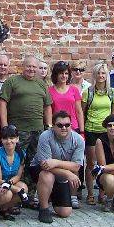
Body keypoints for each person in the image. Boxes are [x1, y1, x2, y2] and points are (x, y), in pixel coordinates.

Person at [0, 55, 53, 170]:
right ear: (23, 66)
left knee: (35, 160)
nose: (31, 69)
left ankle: (33, 181)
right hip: (18, 129)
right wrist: (4, 126)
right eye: (28, 66)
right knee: (17, 158)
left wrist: (49, 126)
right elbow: (2, 103)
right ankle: (17, 180)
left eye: (34, 67)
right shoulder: (12, 81)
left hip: (38, 130)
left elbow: (47, 106)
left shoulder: (41, 84)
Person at [30, 110, 84, 224]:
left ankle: (49, 194)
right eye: (60, 125)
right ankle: (43, 208)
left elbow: (76, 167)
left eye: (67, 125)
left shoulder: (78, 139)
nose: (64, 128)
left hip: (60, 175)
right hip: (41, 170)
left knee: (65, 212)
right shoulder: (45, 136)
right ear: (53, 126)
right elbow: (45, 165)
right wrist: (67, 173)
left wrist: (56, 162)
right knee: (47, 176)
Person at [47, 61, 84, 208]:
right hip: (57, 129)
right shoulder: (50, 90)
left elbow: (79, 111)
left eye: (66, 73)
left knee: (74, 162)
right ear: (55, 75)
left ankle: (73, 194)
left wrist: (81, 131)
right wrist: (50, 127)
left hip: (73, 128)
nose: (64, 76)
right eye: (61, 73)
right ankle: (54, 191)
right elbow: (49, 110)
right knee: (56, 160)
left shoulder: (74, 89)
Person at [82, 61, 114, 205]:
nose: (101, 76)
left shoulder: (112, 92)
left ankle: (102, 193)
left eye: (103, 73)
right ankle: (90, 193)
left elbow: (113, 114)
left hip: (105, 132)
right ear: (94, 75)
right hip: (91, 130)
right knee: (91, 164)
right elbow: (83, 112)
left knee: (104, 164)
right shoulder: (88, 92)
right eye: (98, 73)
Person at [0, 125, 29, 221]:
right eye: (5, 138)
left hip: (7, 183)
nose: (8, 141)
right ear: (2, 140)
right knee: (7, 194)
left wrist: (10, 184)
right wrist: (17, 189)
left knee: (24, 188)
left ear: (17, 139)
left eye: (12, 138)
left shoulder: (21, 154)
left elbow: (18, 176)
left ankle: (3, 209)